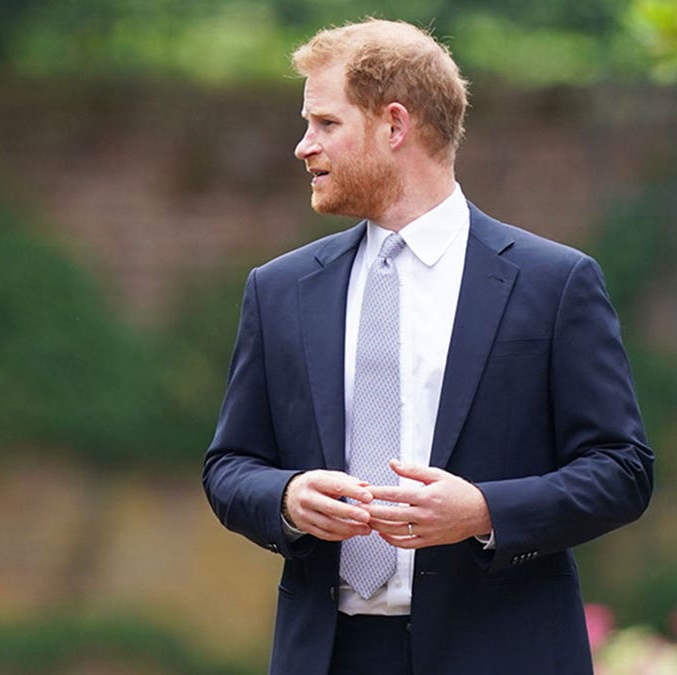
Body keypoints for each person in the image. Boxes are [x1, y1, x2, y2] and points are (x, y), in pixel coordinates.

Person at [202, 18, 652, 675]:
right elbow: (228, 466)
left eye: (325, 124)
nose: (304, 146)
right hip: (327, 655)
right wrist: (288, 496)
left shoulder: (555, 284)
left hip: (503, 651)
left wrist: (484, 510)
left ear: (394, 125)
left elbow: (623, 470)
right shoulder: (279, 290)